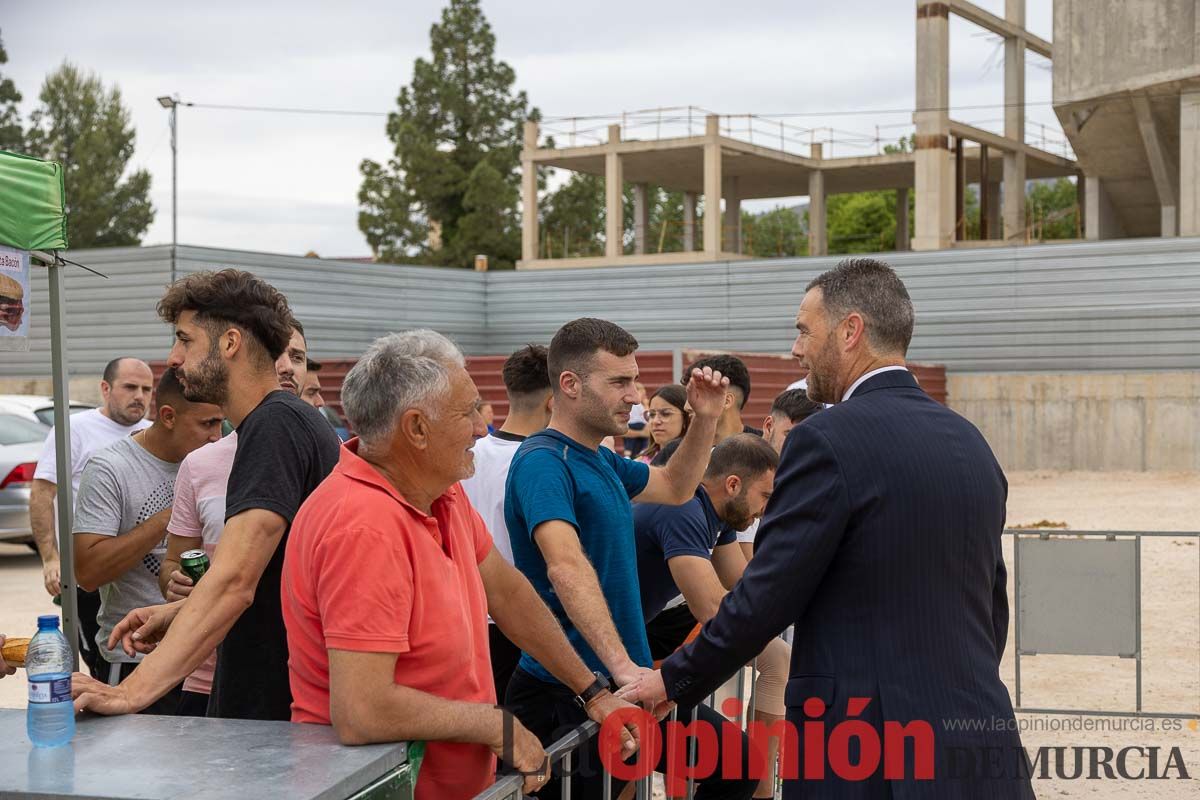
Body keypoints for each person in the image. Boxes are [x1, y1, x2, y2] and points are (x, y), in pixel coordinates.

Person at [618, 258, 1032, 798]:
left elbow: (768, 593)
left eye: (803, 331)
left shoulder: (826, 440)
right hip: (977, 735)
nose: (796, 350)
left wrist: (672, 681)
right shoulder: (970, 443)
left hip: (865, 749)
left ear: (850, 331)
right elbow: (990, 601)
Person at [283, 331, 639, 799]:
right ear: (416, 429)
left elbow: (509, 594)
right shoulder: (363, 527)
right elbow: (363, 710)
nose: (481, 428)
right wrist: (495, 726)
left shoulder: (439, 493)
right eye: (468, 411)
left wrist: (593, 693)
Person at [71, 270, 342, 722]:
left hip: (278, 719)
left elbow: (235, 581)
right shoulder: (275, 423)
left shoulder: (276, 425)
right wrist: (179, 611)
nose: (174, 358)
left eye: (185, 340)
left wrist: (128, 692)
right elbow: (276, 579)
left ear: (230, 343)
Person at [504, 317, 755, 800]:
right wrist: (621, 670)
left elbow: (677, 486)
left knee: (738, 762)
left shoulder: (599, 458)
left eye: (635, 379)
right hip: (566, 691)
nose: (635, 396)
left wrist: (703, 419)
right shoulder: (542, 461)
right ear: (571, 385)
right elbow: (565, 566)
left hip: (620, 684)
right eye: (619, 381)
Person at [157, 324, 313, 717]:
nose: (287, 367)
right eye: (279, 354)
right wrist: (176, 588)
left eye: (298, 357)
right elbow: (177, 564)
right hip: (207, 673)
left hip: (292, 678)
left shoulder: (332, 453)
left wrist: (130, 693)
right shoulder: (200, 463)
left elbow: (242, 585)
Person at [634, 433, 788, 799]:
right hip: (596, 665)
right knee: (739, 766)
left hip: (619, 656)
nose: (765, 511)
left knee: (739, 765)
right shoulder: (685, 508)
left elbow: (743, 588)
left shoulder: (715, 514)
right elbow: (716, 614)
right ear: (733, 485)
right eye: (765, 496)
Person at [71, 369, 223, 710]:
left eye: (221, 424)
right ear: (168, 417)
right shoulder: (111, 467)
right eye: (207, 424)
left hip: (204, 659)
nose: (217, 436)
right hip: (134, 656)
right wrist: (174, 516)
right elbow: (88, 572)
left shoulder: (219, 463)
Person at [30, 357, 154, 677]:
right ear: (105, 388)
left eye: (146, 389)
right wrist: (50, 559)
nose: (139, 396)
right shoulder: (75, 430)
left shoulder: (155, 435)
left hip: (136, 579)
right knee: (100, 663)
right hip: (87, 575)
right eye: (130, 387)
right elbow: (43, 493)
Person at [460, 344, 553, 701]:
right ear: (553, 401)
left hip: (474, 615)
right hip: (524, 618)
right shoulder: (545, 464)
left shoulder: (468, 454)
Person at [737, 388, 823, 560]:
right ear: (769, 426)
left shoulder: (805, 480)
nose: (800, 446)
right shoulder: (737, 464)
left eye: (808, 438)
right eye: (790, 435)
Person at [682, 354, 759, 441]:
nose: (686, 407)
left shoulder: (767, 447)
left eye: (698, 395)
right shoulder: (678, 450)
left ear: (726, 401)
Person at [636, 384, 688, 465]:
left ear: (686, 418)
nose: (655, 421)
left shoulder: (703, 460)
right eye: (652, 414)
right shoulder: (640, 462)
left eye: (666, 414)